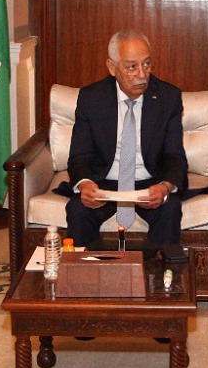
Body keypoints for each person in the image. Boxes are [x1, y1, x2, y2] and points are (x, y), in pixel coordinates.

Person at [59, 30, 188, 247]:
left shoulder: (168, 97)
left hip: (150, 183)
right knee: (78, 209)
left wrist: (164, 187)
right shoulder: (91, 98)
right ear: (112, 67)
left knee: (170, 208)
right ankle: (82, 268)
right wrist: (85, 184)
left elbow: (174, 156)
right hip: (104, 185)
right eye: (131, 67)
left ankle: (163, 267)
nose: (142, 74)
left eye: (147, 64)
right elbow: (80, 155)